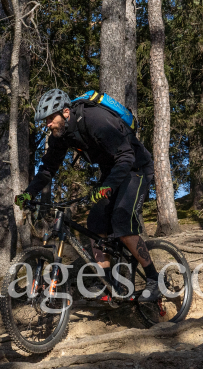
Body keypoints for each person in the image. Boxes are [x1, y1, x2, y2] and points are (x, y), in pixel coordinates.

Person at [15, 89, 161, 302]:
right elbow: (47, 168)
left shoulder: (94, 119)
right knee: (95, 224)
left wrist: (106, 186)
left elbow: (126, 155)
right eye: (45, 120)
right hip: (113, 173)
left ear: (65, 112)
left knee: (122, 220)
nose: (47, 124)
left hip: (136, 168)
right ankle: (109, 284)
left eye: (49, 119)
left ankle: (154, 279)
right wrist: (28, 194)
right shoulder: (60, 135)